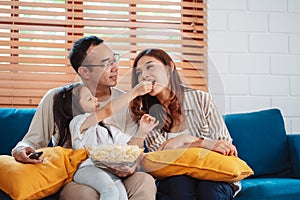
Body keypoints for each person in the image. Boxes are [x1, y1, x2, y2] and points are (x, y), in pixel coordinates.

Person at [11, 36, 157, 200]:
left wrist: (131, 164)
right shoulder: (58, 99)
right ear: (84, 71)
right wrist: (20, 150)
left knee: (144, 180)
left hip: (120, 174)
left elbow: (132, 147)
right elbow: (32, 142)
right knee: (86, 194)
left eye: (114, 59)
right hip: (79, 174)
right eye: (107, 63)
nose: (116, 67)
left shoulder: (128, 103)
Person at [130, 48, 240, 200]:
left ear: (170, 68)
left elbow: (224, 146)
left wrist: (182, 141)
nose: (144, 75)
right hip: (174, 177)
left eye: (150, 67)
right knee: (180, 185)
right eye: (139, 73)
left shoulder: (201, 99)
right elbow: (162, 158)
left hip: (213, 173)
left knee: (210, 189)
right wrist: (204, 144)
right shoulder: (147, 117)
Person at [52, 82, 158, 200]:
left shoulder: (107, 130)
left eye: (93, 96)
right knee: (110, 192)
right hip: (88, 169)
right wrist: (135, 92)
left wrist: (142, 132)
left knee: (122, 196)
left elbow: (130, 149)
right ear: (73, 109)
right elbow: (107, 111)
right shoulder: (78, 123)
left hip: (111, 173)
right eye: (89, 99)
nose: (95, 99)